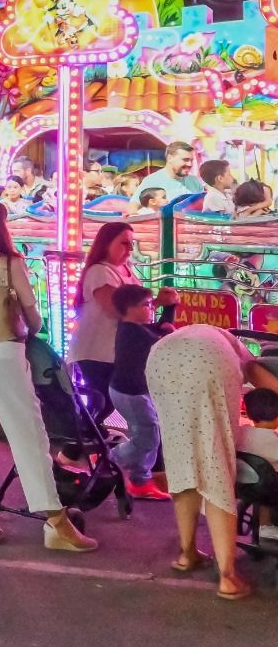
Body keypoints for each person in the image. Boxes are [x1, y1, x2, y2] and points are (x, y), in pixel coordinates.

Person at [0, 200, 98, 551]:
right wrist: (30, 327)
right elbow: (33, 315)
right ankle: (56, 521)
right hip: (4, 353)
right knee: (29, 435)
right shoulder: (10, 263)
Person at [146, 323, 278, 599]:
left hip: (159, 361)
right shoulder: (242, 355)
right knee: (216, 463)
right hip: (207, 361)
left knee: (182, 459)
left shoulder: (207, 334)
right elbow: (259, 375)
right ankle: (228, 577)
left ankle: (187, 554)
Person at [69, 222, 138, 428]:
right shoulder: (100, 271)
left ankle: (87, 437)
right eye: (124, 243)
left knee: (109, 399)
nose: (130, 249)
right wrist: (156, 303)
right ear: (107, 243)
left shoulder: (125, 269)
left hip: (115, 348)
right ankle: (81, 437)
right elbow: (116, 309)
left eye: (132, 243)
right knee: (104, 399)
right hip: (96, 349)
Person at [109, 284, 174, 502]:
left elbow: (160, 329)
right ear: (130, 308)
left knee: (147, 434)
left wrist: (170, 309)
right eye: (146, 305)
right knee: (148, 437)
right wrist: (170, 328)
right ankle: (110, 458)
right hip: (131, 393)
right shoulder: (133, 333)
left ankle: (140, 481)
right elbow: (164, 342)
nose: (151, 308)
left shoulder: (132, 327)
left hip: (130, 390)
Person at [236, 389, 278, 540]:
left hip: (241, 486)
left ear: (248, 414)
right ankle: (267, 526)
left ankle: (264, 525)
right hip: (269, 492)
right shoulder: (273, 441)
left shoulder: (240, 433)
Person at [137, 141, 203, 202]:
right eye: (185, 160)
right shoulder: (152, 181)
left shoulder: (194, 181)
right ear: (170, 158)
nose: (190, 164)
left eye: (191, 160)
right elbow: (133, 207)